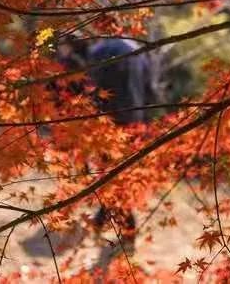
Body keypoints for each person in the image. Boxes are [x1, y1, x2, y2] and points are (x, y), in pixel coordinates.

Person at [53, 35, 159, 257]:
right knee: (117, 180)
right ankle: (100, 224)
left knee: (113, 182)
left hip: (109, 126)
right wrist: (146, 123)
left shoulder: (98, 53)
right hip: (136, 124)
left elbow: (93, 94)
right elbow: (150, 92)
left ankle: (126, 234)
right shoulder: (136, 48)